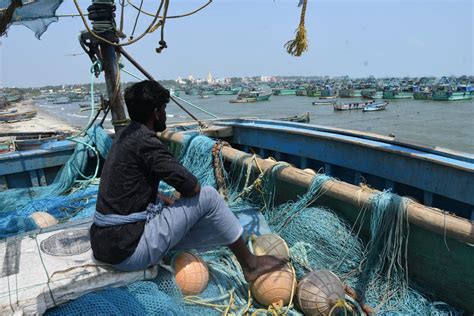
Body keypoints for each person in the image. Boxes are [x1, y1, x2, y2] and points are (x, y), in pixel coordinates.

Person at [90, 80, 285, 281]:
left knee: (177, 205)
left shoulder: (124, 135)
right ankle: (250, 265)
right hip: (128, 252)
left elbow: (135, 188)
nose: (164, 115)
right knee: (209, 196)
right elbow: (192, 187)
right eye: (164, 109)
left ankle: (232, 243)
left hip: (103, 244)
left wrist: (167, 201)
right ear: (156, 112)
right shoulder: (146, 143)